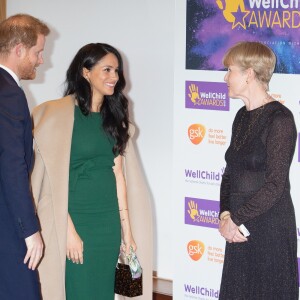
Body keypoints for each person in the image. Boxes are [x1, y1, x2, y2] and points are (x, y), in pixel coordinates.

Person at [31, 43, 138, 300]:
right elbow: (50, 180)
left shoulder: (115, 117)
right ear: (85, 72)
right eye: (107, 70)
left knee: (105, 292)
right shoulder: (56, 114)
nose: (114, 77)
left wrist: (127, 233)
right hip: (74, 218)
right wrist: (69, 232)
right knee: (77, 291)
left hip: (108, 223)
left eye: (117, 71)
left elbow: (118, 175)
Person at [218, 41, 299, 299]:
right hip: (239, 229)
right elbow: (229, 172)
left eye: (230, 70)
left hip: (269, 229)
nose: (225, 77)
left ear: (249, 74)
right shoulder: (241, 117)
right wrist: (225, 214)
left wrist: (236, 219)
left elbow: (275, 185)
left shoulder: (280, 119)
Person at [0, 14, 50, 300]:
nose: (41, 60)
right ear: (19, 49)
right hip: (8, 226)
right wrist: (30, 231)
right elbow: (11, 164)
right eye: (37, 52)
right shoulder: (9, 94)